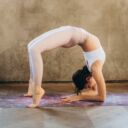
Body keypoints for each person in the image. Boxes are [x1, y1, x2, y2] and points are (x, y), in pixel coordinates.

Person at [24, 25, 106, 108]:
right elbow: (101, 97)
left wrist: (78, 96)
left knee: (32, 48)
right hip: (72, 33)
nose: (91, 88)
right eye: (89, 86)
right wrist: (79, 97)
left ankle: (33, 87)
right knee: (32, 47)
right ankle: (37, 89)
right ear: (87, 79)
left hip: (72, 33)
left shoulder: (92, 68)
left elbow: (94, 92)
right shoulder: (95, 69)